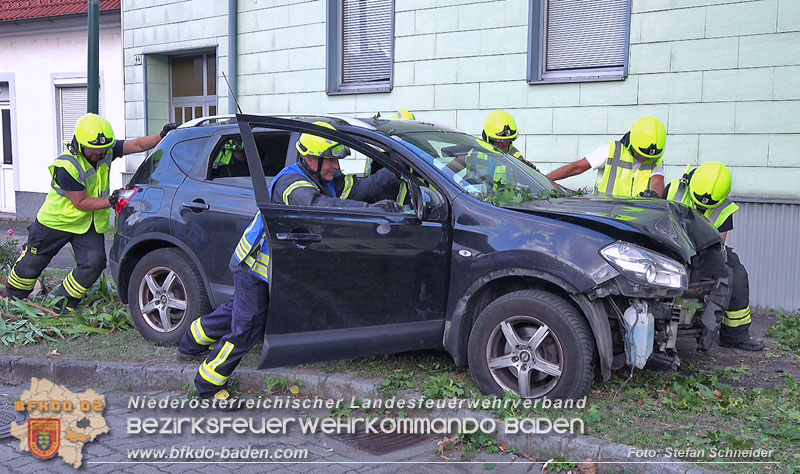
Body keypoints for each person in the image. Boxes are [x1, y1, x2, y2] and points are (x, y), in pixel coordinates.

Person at [178, 122, 401, 407]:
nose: (336, 166)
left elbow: (361, 188)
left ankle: (191, 341)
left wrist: (395, 167)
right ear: (312, 159)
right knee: (248, 325)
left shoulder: (327, 178)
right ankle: (208, 383)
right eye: (331, 160)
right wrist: (371, 210)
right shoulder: (291, 184)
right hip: (254, 266)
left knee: (237, 311)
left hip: (266, 268)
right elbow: (320, 207)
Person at [4, 113, 176, 311]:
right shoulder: (66, 166)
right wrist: (111, 200)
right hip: (55, 223)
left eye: (104, 149)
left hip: (87, 225)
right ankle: (13, 299)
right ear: (79, 145)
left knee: (93, 264)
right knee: (33, 263)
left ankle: (61, 304)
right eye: (94, 150)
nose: (100, 153)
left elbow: (137, 145)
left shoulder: (105, 150)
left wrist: (162, 136)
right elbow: (80, 202)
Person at [665, 162, 764, 351]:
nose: (701, 207)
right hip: (669, 246)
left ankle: (735, 336)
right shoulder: (674, 189)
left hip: (704, 250)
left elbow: (720, 242)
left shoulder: (724, 208)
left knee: (737, 273)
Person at [547, 116, 667, 198]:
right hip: (606, 215)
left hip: (635, 219)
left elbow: (657, 181)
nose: (646, 159)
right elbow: (578, 167)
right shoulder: (611, 150)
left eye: (649, 157)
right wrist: (544, 180)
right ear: (631, 143)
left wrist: (655, 195)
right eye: (641, 155)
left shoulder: (655, 160)